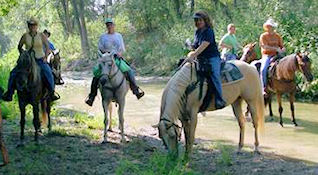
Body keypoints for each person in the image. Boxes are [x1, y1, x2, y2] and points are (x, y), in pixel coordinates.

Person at [85, 18, 144, 106]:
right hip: (105, 58)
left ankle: (136, 90)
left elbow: (122, 48)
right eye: (108, 25)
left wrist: (119, 53)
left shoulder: (118, 36)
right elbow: (100, 48)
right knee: (96, 73)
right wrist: (106, 53)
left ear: (114, 25)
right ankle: (92, 96)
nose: (109, 26)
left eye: (111, 25)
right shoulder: (103, 37)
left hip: (116, 58)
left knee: (129, 70)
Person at [2, 17, 59, 102]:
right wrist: (23, 54)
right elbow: (19, 46)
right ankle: (9, 93)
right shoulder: (25, 36)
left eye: (34, 25)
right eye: (30, 25)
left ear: (37, 26)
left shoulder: (41, 35)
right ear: (28, 26)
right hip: (27, 61)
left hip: (39, 59)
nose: (32, 27)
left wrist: (45, 57)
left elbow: (47, 47)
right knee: (13, 73)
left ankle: (51, 93)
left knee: (48, 72)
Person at [186, 11, 226, 109]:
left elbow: (204, 45)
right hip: (201, 59)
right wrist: (190, 46)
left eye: (200, 20)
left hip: (212, 58)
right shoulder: (197, 32)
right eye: (197, 20)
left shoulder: (209, 31)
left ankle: (220, 99)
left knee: (215, 75)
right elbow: (196, 46)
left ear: (205, 20)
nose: (199, 22)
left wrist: (194, 54)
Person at [259, 18, 285, 95]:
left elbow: (281, 46)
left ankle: (290, 85)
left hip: (277, 55)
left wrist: (283, 49)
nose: (270, 28)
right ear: (267, 27)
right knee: (263, 69)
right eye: (269, 26)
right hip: (267, 55)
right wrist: (276, 49)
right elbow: (265, 46)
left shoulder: (277, 36)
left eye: (271, 27)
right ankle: (263, 87)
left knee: (288, 65)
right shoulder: (263, 36)